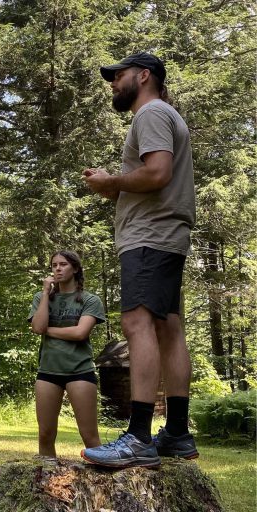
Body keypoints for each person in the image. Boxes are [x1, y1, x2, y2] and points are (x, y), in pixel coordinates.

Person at [82, 52, 197, 468]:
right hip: (167, 234)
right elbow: (154, 176)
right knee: (169, 327)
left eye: (119, 75)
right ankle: (178, 434)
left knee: (137, 322)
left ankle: (139, 438)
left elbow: (156, 173)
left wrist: (112, 182)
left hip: (150, 235)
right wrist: (115, 187)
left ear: (143, 76)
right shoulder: (167, 114)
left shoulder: (149, 114)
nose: (113, 83)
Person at [29, 251, 105, 459]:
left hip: (80, 371)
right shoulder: (41, 298)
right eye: (54, 265)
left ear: (76, 269)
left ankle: (102, 486)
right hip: (48, 372)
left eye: (63, 264)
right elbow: (37, 326)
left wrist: (48, 331)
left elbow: (80, 333)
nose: (58, 269)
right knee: (45, 434)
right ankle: (45, 483)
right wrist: (46, 293)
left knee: (89, 436)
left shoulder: (90, 300)